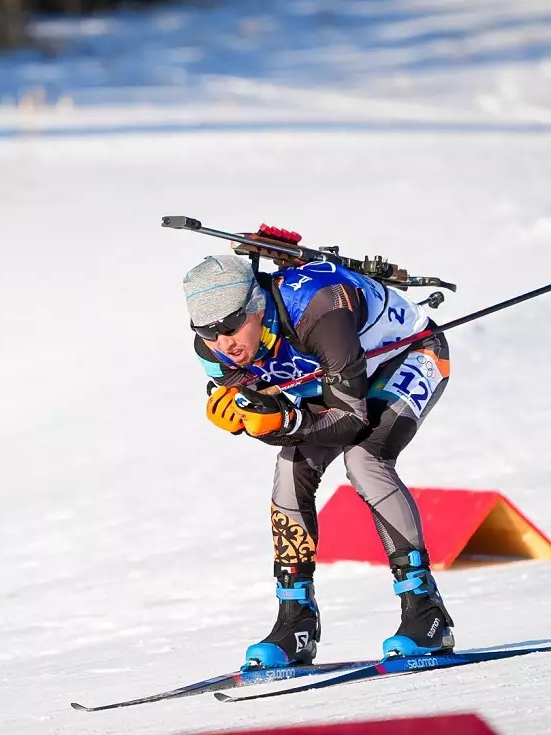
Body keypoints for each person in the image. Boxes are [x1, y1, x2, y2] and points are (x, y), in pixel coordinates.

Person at [181, 242, 455, 668]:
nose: (224, 342)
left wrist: (280, 422)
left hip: (407, 356)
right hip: (330, 379)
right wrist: (247, 419)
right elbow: (271, 417)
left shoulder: (319, 309)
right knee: (291, 468)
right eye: (208, 331)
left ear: (256, 307)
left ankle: (426, 612)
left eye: (233, 325)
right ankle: (296, 623)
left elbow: (350, 419)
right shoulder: (212, 352)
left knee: (365, 460)